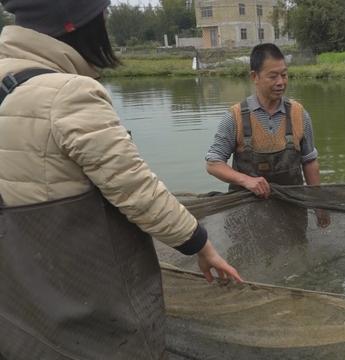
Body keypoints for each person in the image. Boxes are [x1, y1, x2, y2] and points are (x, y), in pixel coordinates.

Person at [0, 1, 242, 359]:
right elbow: (137, 191)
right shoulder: (68, 95)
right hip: (86, 309)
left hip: (20, 313)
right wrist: (201, 245)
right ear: (77, 25)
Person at [205, 43, 330, 228]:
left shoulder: (299, 113)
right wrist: (246, 180)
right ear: (254, 77)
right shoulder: (234, 117)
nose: (281, 82)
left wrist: (320, 206)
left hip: (292, 214)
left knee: (295, 254)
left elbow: (310, 161)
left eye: (284, 75)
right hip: (246, 217)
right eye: (273, 76)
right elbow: (213, 164)